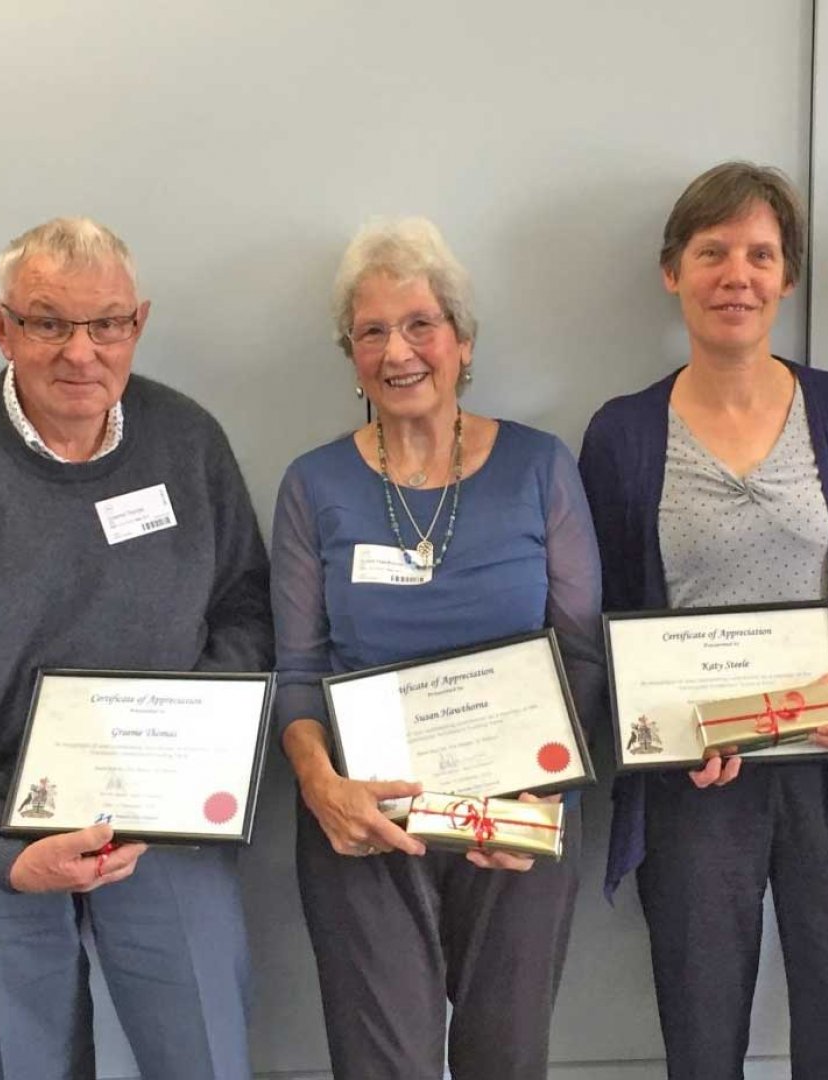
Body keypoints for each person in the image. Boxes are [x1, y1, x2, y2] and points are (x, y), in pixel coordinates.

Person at [0, 217, 272, 1080]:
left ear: (139, 322)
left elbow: (246, 611)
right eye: (49, 322)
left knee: (205, 1055)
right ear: (1, 326)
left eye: (108, 324)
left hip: (166, 829)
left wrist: (183, 757)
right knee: (32, 1065)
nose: (81, 352)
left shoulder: (187, 440)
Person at [578, 162, 828, 1079]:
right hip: (698, 778)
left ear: (788, 277)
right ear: (671, 271)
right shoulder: (623, 433)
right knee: (702, 1033)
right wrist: (655, 729)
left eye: (761, 255)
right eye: (712, 251)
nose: (738, 275)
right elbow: (601, 616)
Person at [270, 218, 604, 1078]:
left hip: (520, 810)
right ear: (351, 356)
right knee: (386, 1065)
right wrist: (322, 787)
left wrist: (544, 800)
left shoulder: (539, 466)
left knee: (506, 1058)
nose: (398, 350)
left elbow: (581, 656)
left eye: (420, 324)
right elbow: (299, 672)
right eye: (372, 331)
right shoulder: (313, 484)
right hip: (364, 820)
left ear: (461, 341)